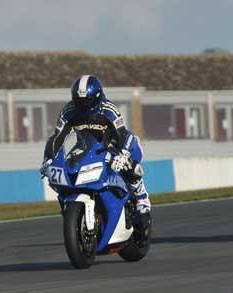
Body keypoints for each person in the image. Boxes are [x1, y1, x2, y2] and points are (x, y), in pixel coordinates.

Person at [42, 75, 151, 216]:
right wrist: (49, 159)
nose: (83, 106)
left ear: (97, 97)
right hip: (84, 147)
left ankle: (142, 198)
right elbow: (57, 137)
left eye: (87, 101)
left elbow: (123, 134)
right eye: (79, 101)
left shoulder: (109, 109)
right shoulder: (68, 112)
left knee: (130, 166)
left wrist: (123, 154)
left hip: (111, 144)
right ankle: (68, 205)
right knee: (68, 170)